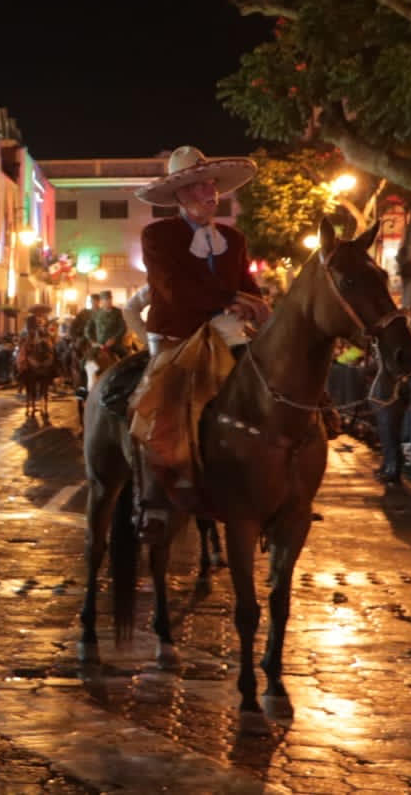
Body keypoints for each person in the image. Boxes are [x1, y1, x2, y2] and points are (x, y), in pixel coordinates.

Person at [128, 145, 269, 545]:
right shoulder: (157, 235)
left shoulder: (233, 238)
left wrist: (256, 304)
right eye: (197, 187)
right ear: (179, 196)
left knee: (265, 385)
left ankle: (270, 482)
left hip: (226, 331)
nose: (209, 192)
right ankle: (154, 498)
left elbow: (246, 284)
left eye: (211, 184)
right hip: (176, 334)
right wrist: (229, 300)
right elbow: (172, 290)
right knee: (160, 402)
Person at [84, 290, 127, 357]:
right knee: (85, 362)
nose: (108, 301)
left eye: (110, 299)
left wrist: (114, 339)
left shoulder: (118, 312)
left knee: (127, 361)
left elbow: (123, 328)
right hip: (99, 345)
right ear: (101, 301)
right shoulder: (96, 313)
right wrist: (92, 341)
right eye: (106, 299)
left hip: (115, 345)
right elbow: (87, 329)